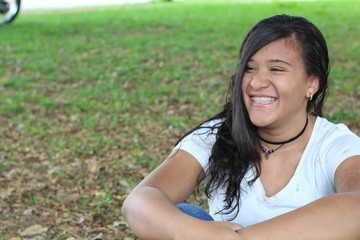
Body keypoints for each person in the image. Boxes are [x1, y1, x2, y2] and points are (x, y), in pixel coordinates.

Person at [122, 14, 360, 239]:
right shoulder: (218, 135)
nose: (256, 82)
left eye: (276, 69)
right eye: (250, 68)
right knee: (184, 215)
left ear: (312, 83)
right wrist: (190, 231)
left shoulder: (334, 144)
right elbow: (140, 201)